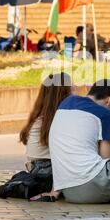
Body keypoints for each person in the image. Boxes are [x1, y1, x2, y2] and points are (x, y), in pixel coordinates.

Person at [19, 72, 73, 202]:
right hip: (48, 173)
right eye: (72, 89)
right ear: (63, 94)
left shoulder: (41, 118)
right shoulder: (57, 119)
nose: (74, 94)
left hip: (36, 171)